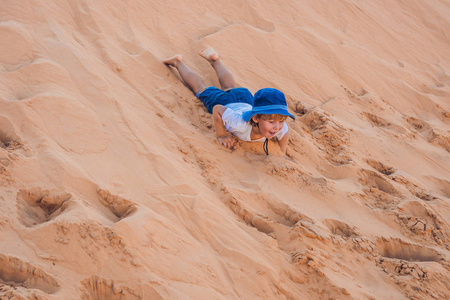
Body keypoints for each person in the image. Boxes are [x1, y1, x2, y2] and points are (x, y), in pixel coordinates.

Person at [163, 48, 295, 155]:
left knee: (229, 87)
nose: (277, 127)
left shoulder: (280, 127)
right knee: (200, 89)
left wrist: (281, 151)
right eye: (271, 122)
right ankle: (177, 62)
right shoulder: (239, 124)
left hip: (246, 99)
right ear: (255, 118)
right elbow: (218, 109)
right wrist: (221, 135)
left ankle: (215, 60)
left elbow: (285, 132)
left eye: (281, 121)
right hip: (226, 102)